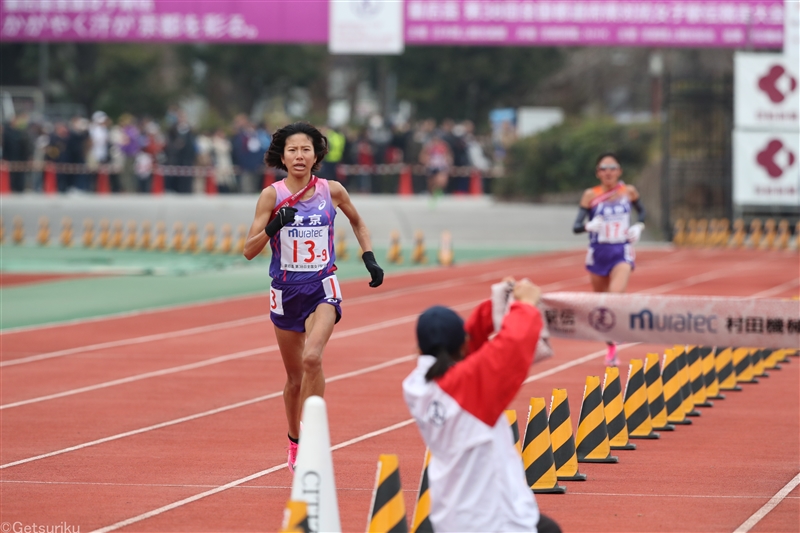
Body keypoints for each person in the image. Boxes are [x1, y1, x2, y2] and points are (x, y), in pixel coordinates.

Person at [243, 121, 384, 473]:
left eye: (306, 149)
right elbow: (248, 250)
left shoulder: (332, 191)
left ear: (316, 154)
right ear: (283, 156)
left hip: (322, 285)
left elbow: (358, 222)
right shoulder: (271, 196)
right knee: (293, 380)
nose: (299, 156)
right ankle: (295, 440)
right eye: (293, 150)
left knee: (312, 358)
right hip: (285, 291)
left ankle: (315, 437)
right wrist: (275, 224)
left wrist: (369, 258)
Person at [403, 278, 561, 533]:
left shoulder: (417, 385)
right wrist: (526, 305)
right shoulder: (468, 387)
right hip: (493, 518)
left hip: (451, 513)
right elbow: (513, 345)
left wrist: (496, 307)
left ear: (419, 348)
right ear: (462, 344)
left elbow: (472, 350)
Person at [573, 152, 645, 366]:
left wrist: (639, 226)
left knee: (614, 297)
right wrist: (588, 226)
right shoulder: (590, 195)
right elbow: (576, 226)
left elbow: (642, 213)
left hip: (621, 251)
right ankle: (611, 348)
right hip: (598, 254)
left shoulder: (628, 192)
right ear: (598, 173)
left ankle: (618, 332)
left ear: (619, 171)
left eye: (612, 167)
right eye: (603, 168)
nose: (608, 172)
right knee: (602, 305)